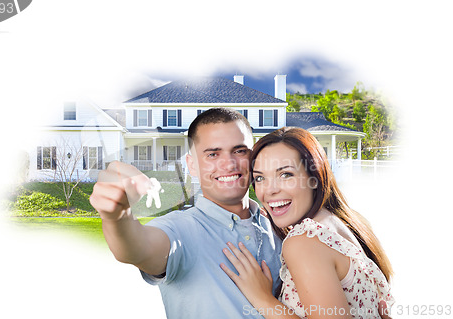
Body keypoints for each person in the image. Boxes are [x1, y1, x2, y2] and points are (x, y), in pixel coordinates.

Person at [89, 108, 283, 318]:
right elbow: (137, 249)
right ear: (192, 165)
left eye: (239, 151)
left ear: (254, 157)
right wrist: (117, 216)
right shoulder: (179, 229)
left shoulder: (278, 225)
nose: (228, 164)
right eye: (213, 154)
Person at [220, 127, 394, 318]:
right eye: (260, 178)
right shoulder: (345, 224)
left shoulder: (305, 241)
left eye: (286, 174)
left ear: (314, 179)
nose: (269, 191)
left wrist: (263, 299)